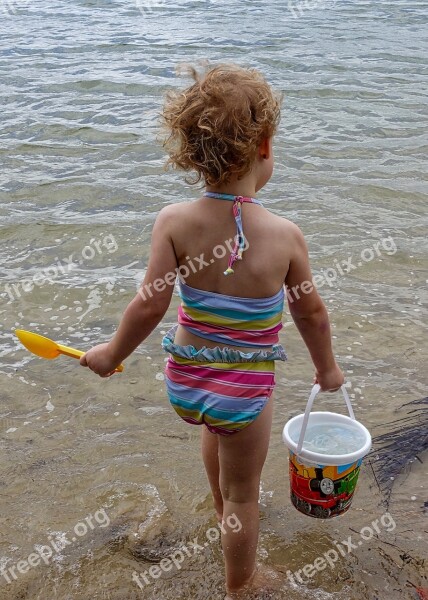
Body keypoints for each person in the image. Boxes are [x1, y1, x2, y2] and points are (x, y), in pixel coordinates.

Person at [80, 64, 344, 598]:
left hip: (188, 380)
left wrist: (111, 353)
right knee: (247, 494)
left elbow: (150, 306)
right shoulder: (285, 237)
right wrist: (327, 369)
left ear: (193, 154)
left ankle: (220, 511)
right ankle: (241, 582)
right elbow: (310, 314)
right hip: (243, 389)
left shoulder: (174, 222)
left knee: (216, 437)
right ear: (265, 146)